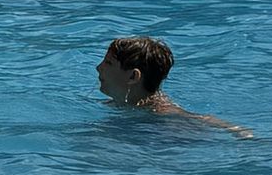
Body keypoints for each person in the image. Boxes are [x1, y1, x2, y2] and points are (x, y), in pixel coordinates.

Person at [97, 36, 252, 136]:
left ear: (133, 76)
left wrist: (238, 131)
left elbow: (200, 119)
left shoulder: (162, 112)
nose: (99, 68)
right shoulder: (117, 103)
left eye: (108, 63)